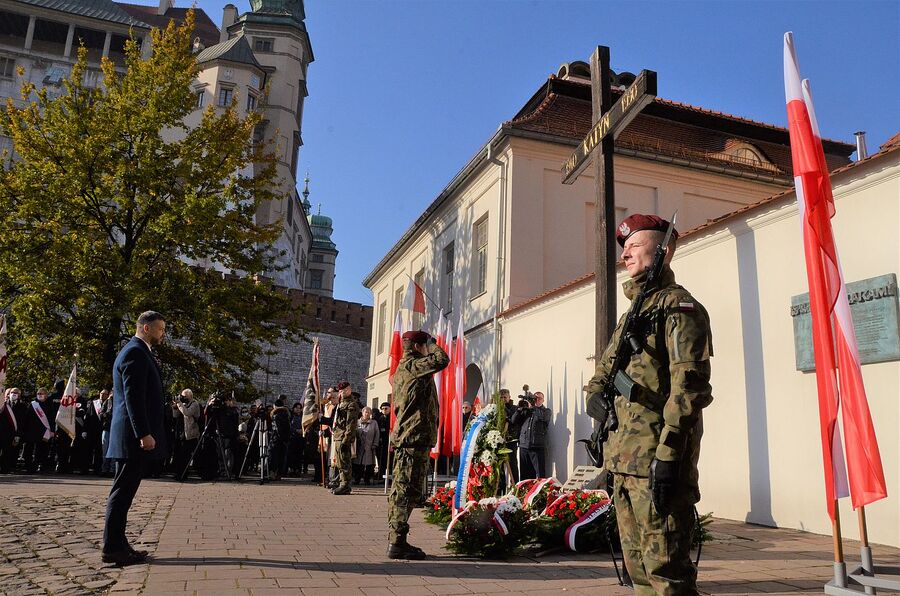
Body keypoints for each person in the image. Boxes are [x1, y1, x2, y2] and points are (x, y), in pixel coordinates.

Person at [586, 214, 713, 595]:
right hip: (624, 463)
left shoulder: (678, 308)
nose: (625, 253)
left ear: (664, 251)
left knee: (667, 574)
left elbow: (689, 388)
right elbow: (604, 370)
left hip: (658, 459)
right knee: (637, 571)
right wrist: (595, 395)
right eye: (624, 247)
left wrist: (670, 455)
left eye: (635, 246)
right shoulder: (632, 315)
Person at [103, 310, 168, 566]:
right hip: (133, 437)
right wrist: (143, 433)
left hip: (133, 437)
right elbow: (133, 397)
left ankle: (120, 544)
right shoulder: (134, 353)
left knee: (125, 493)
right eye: (160, 329)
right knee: (121, 494)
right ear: (146, 328)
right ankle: (112, 547)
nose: (163, 334)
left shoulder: (139, 351)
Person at [387, 330, 449, 560]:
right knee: (405, 491)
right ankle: (397, 542)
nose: (428, 350)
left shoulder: (406, 368)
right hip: (412, 438)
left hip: (413, 437)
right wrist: (433, 344)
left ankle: (398, 540)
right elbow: (442, 359)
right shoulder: (414, 366)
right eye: (425, 346)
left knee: (407, 490)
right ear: (418, 347)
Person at [331, 381, 360, 495]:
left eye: (344, 390)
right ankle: (341, 481)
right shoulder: (341, 403)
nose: (342, 393)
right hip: (338, 435)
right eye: (341, 391)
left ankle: (345, 485)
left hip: (344, 436)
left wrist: (346, 440)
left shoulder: (351, 404)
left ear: (349, 390)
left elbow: (350, 425)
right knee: (339, 462)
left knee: (344, 462)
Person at [512, 391, 550, 480]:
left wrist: (533, 407)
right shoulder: (527, 410)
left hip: (537, 446)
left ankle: (540, 492)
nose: (536, 400)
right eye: (534, 398)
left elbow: (544, 418)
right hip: (524, 446)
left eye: (539, 398)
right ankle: (525, 492)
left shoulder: (546, 411)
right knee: (524, 474)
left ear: (543, 400)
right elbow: (513, 421)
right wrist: (519, 409)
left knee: (540, 473)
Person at [22, 387, 55, 473]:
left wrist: (52, 431)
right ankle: (29, 468)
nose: (40, 395)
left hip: (44, 432)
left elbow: (52, 419)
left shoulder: (50, 405)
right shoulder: (33, 404)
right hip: (31, 431)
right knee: (29, 450)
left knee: (41, 451)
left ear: (46, 395)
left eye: (42, 394)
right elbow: (26, 418)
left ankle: (39, 466)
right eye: (38, 394)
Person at [173, 389, 200, 477]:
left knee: (186, 455)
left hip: (190, 434)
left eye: (184, 396)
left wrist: (179, 403)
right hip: (181, 432)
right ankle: (178, 472)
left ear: (190, 396)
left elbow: (187, 413)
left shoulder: (194, 404)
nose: (182, 398)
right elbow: (175, 415)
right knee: (179, 454)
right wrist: (175, 407)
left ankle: (184, 473)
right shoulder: (182, 404)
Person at [354, 406, 380, 485]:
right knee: (358, 464)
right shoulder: (357, 422)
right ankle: (357, 479)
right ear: (362, 413)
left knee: (369, 464)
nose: (367, 414)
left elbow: (377, 434)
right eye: (366, 412)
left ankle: (367, 479)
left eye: (369, 412)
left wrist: (375, 444)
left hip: (369, 446)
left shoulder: (374, 423)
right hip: (359, 447)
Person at [0, 388, 24, 473]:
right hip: (2, 432)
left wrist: (18, 435)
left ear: (19, 395)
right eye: (12, 392)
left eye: (16, 393)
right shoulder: (3, 404)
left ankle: (5, 469)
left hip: (13, 433)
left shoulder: (22, 406)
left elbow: (22, 422)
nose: (14, 394)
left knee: (7, 452)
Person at [268, 395, 291, 480]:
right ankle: (279, 474)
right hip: (285, 440)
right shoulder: (287, 414)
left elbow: (278, 429)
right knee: (282, 457)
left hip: (276, 439)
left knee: (273, 457)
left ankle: (272, 473)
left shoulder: (276, 415)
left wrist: (278, 437)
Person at [374, 401, 390, 480]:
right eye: (382, 409)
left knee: (388, 460)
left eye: (386, 408)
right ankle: (381, 475)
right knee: (380, 459)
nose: (384, 410)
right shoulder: (379, 418)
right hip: (381, 442)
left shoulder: (391, 419)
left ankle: (388, 475)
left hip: (388, 442)